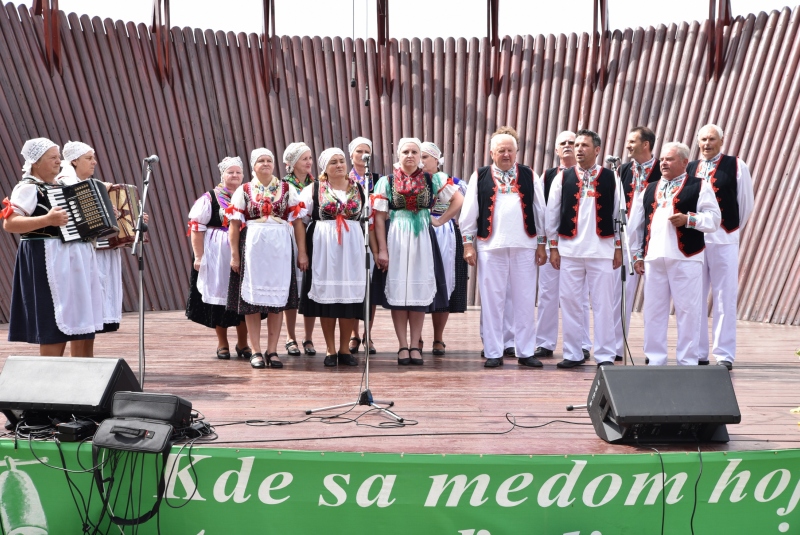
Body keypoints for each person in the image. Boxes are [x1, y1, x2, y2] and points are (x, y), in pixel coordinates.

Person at [1, 138, 103, 356]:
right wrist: (46, 220)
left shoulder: (61, 187)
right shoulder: (28, 188)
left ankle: (81, 375)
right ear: (36, 162)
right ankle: (52, 375)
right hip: (46, 260)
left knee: (78, 320)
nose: (59, 162)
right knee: (53, 320)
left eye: (59, 157)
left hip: (71, 262)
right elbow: (10, 223)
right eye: (53, 158)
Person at [460, 129, 547, 368]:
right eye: (501, 150)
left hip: (525, 244)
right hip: (490, 245)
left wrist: (542, 245)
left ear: (517, 152)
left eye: (510, 150)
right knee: (492, 300)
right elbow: (469, 213)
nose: (506, 154)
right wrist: (468, 245)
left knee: (526, 299)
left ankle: (526, 351)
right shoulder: (480, 175)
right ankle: (493, 351)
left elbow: (540, 210)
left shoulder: (529, 174)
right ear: (492, 153)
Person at [373, 137, 463, 365]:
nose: (411, 156)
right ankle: (402, 345)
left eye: (415, 151)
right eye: (406, 152)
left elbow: (458, 199)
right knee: (398, 290)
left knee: (418, 291)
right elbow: (380, 217)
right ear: (398, 156)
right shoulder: (387, 181)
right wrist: (382, 249)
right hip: (397, 238)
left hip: (423, 237)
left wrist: (441, 220)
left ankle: (415, 345)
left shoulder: (431, 179)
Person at [631, 142, 721, 366]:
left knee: (688, 312)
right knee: (653, 312)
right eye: (662, 159)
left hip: (686, 257)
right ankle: (655, 359)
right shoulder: (649, 188)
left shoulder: (700, 186)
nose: (663, 163)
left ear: (684, 162)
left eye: (669, 159)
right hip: (654, 259)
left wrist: (689, 219)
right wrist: (636, 255)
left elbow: (714, 219)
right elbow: (635, 226)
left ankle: (688, 361)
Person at [546, 129, 622, 368]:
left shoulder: (611, 177)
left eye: (584, 145)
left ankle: (605, 355)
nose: (578, 149)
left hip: (601, 250)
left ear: (597, 150)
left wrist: (618, 248)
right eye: (577, 145)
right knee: (569, 302)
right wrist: (553, 248)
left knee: (604, 304)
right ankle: (573, 353)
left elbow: (619, 214)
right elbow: (551, 213)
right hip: (570, 250)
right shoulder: (563, 177)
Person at [226, 147, 303, 369]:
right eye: (261, 160)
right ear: (253, 166)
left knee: (277, 301)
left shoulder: (287, 189)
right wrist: (234, 256)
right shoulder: (244, 190)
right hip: (253, 249)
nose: (266, 163)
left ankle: (273, 350)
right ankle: (256, 351)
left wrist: (302, 252)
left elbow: (297, 222)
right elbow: (233, 225)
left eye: (269, 159)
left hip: (279, 249)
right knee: (253, 301)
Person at [688, 124, 754, 370]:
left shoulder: (737, 165)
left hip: (724, 238)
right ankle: (699, 351)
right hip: (696, 240)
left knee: (725, 295)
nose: (707, 143)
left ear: (722, 141)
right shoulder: (691, 167)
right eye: (703, 139)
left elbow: (745, 203)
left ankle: (724, 354)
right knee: (695, 295)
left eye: (711, 139)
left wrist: (731, 229)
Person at [295, 148, 366, 367]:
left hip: (352, 250)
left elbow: (368, 220)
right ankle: (330, 349)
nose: (339, 165)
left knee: (349, 299)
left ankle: (345, 349)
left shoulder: (359, 189)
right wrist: (303, 252)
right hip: (324, 250)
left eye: (342, 161)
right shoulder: (313, 189)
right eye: (333, 162)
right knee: (327, 300)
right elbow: (299, 220)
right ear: (325, 168)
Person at [534, 131, 592, 361]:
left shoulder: (590, 175)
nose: (568, 146)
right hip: (552, 244)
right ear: (556, 150)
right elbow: (540, 210)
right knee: (548, 293)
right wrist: (543, 242)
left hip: (579, 244)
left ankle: (583, 344)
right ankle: (545, 342)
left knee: (580, 296)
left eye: (572, 142)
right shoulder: (547, 176)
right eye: (563, 144)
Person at [185, 156, 250, 360]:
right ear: (222, 175)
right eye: (230, 172)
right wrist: (199, 257)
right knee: (219, 298)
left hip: (243, 251)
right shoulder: (210, 198)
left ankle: (243, 343)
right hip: (217, 256)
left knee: (243, 298)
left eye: (238, 172)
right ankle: (223, 343)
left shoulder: (248, 195)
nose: (235, 176)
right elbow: (196, 227)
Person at [613, 126, 662, 361]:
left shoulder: (662, 169)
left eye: (632, 141)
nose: (627, 145)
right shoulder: (622, 170)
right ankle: (615, 348)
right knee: (620, 295)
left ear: (646, 144)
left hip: (655, 239)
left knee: (655, 299)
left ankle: (653, 353)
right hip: (625, 240)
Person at [420, 142, 468, 356]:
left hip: (445, 234)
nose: (420, 161)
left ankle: (438, 337)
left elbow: (463, 206)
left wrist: (441, 220)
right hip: (418, 233)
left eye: (424, 157)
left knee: (444, 283)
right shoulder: (413, 181)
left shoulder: (454, 182)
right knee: (419, 283)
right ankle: (417, 337)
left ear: (436, 160)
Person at [282, 142, 317, 357]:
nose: (309, 162)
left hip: (311, 237)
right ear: (293, 163)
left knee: (309, 286)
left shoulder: (317, 184)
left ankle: (309, 337)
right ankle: (290, 336)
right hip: (291, 237)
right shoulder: (284, 185)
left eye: (310, 158)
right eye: (304, 158)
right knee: (292, 287)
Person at [346, 137, 379, 355]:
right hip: (350, 235)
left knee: (370, 286)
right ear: (351, 155)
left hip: (372, 234)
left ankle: (368, 333)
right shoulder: (344, 179)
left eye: (367, 151)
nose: (363, 155)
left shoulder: (378, 179)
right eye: (359, 151)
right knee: (351, 284)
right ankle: (353, 334)